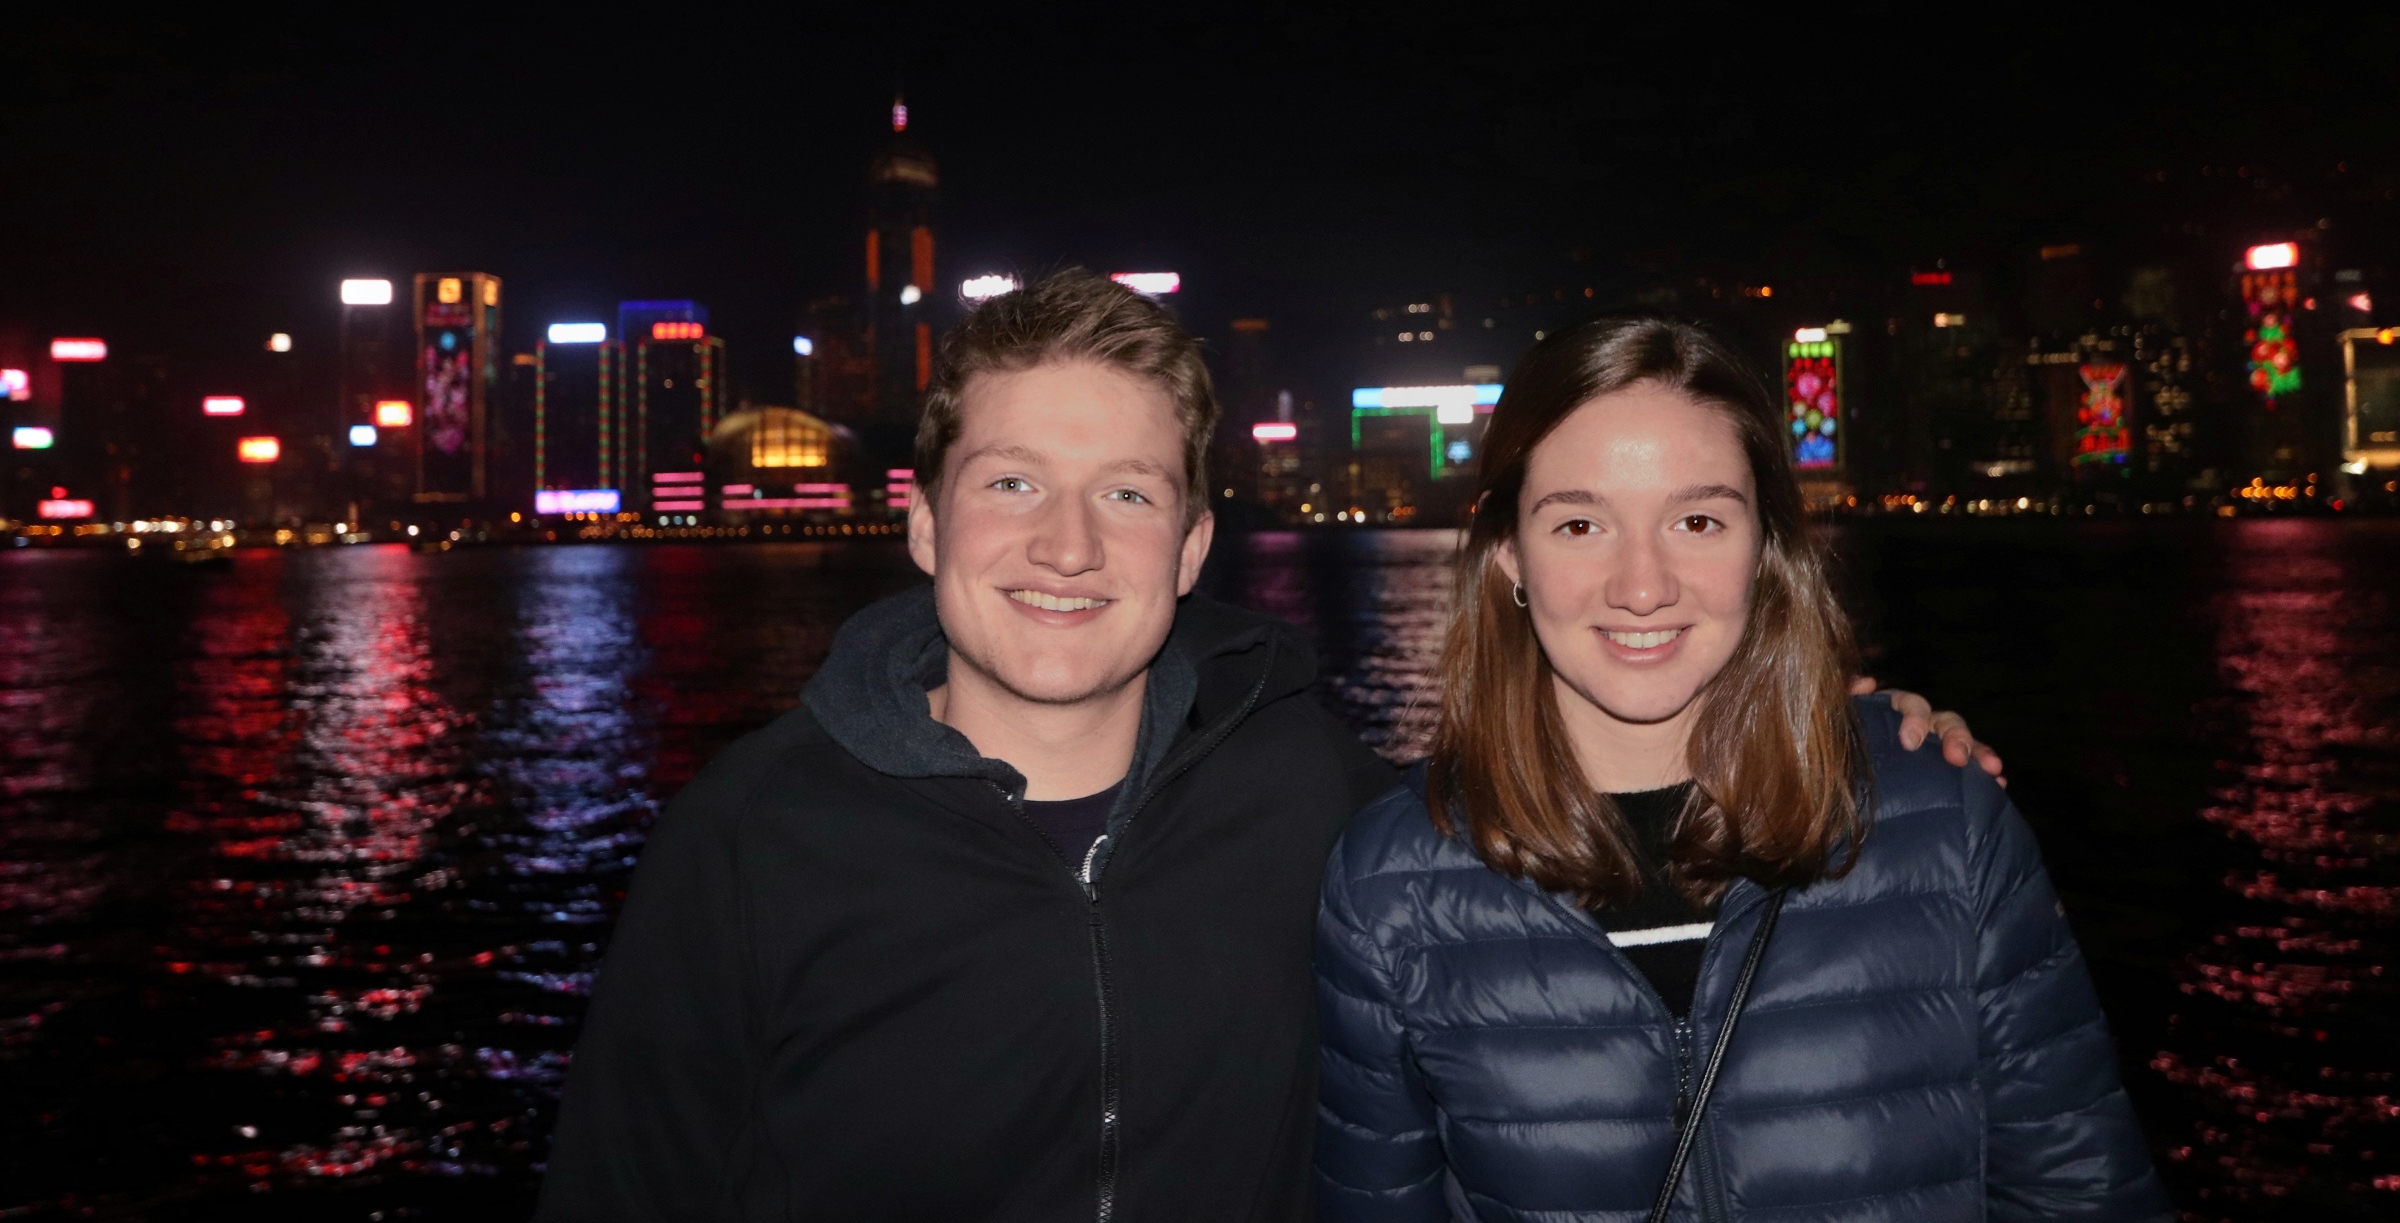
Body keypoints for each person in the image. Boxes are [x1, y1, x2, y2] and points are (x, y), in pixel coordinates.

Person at [539, 274, 2000, 1222]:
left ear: (1190, 547)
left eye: (1126, 493)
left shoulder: (1313, 799)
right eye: (1012, 484)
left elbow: (1565, 808)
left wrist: (1847, 733)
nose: (1067, 545)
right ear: (922, 522)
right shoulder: (752, 838)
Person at [1314, 316, 2169, 1222]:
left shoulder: (1940, 819)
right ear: (1508, 556)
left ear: (1764, 548)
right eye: (1579, 523)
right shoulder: (1390, 885)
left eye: (1697, 520)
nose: (1643, 586)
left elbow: (2080, 1192)